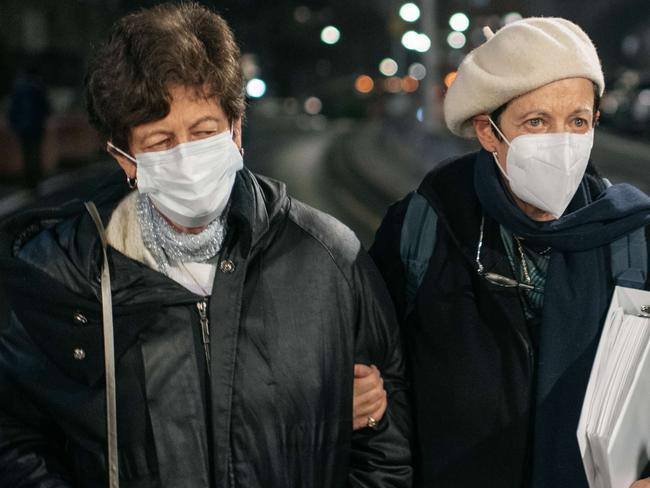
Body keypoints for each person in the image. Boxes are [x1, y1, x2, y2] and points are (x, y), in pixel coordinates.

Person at [0, 3, 410, 487]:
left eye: (203, 132)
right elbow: (15, 441)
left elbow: (386, 447)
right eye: (159, 141)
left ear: (236, 129)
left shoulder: (329, 259)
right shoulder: (63, 273)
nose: (186, 158)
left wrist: (364, 417)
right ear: (124, 159)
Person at [369, 17, 650, 488]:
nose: (562, 142)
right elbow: (379, 391)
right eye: (537, 121)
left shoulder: (633, 237)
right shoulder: (424, 228)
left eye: (578, 121)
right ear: (488, 131)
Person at [8, 65, 51, 188]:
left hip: (23, 126)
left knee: (26, 153)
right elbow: (46, 108)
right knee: (35, 153)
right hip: (36, 126)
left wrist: (14, 123)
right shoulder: (38, 88)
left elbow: (13, 108)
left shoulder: (19, 88)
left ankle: (28, 179)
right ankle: (34, 179)